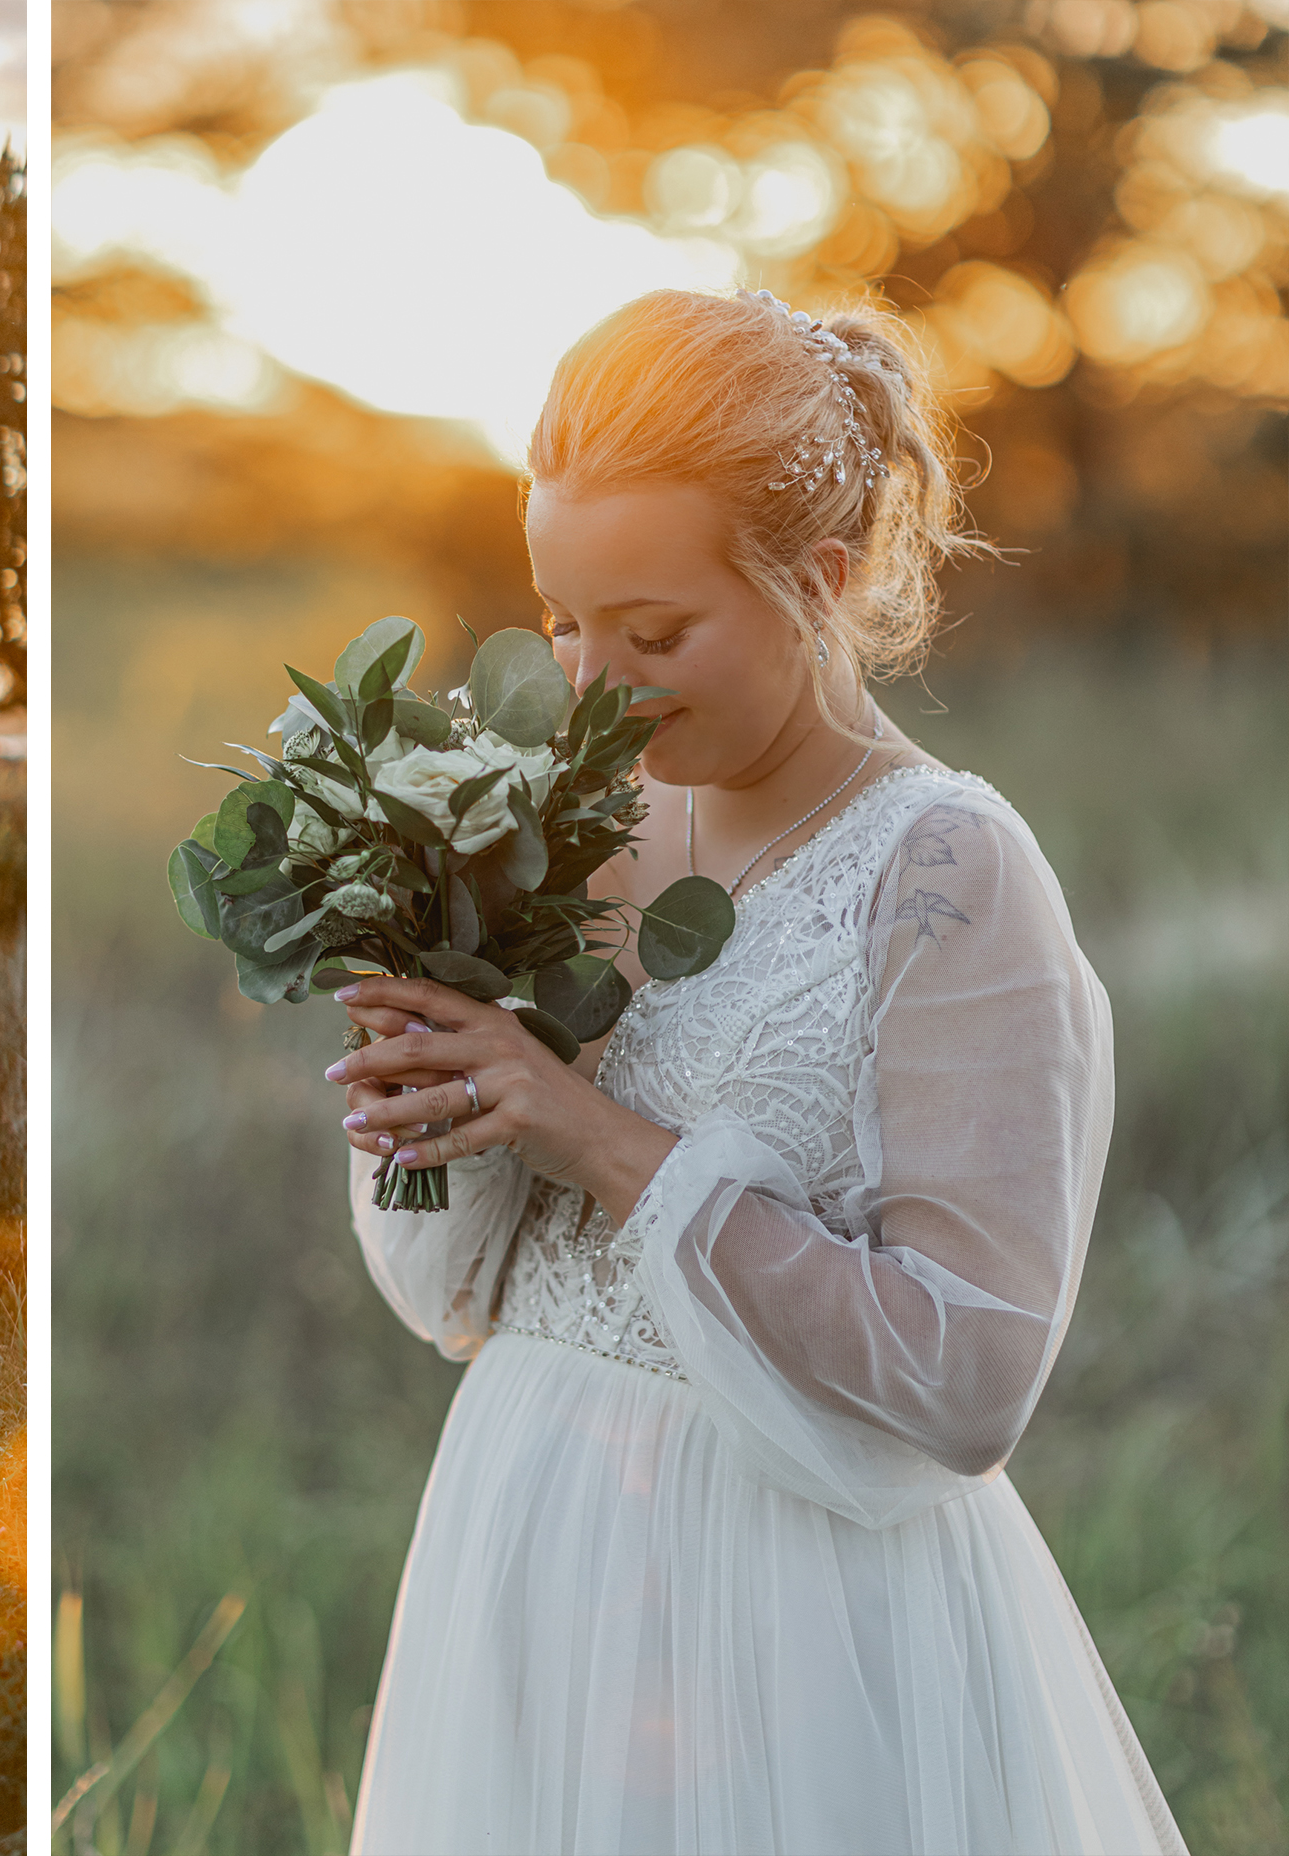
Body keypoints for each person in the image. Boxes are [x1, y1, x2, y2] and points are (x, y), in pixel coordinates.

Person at [327, 290, 1182, 1853]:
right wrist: (424, 1110)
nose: (592, 684)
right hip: (527, 1548)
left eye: (656, 635)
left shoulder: (945, 875)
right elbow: (450, 1298)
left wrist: (598, 1138)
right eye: (564, 622)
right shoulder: (554, 837)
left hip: (795, 1608)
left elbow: (970, 1376)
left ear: (822, 583)